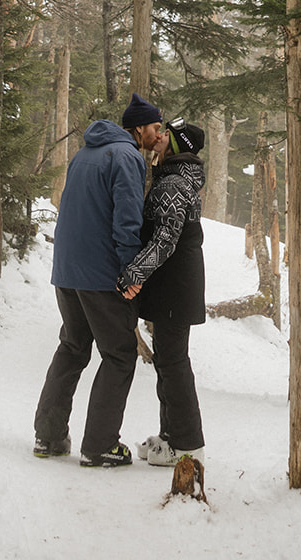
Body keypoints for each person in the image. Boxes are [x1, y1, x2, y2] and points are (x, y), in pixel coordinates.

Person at [33, 93, 162, 468]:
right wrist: (130, 272)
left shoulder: (85, 153)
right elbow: (127, 220)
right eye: (155, 128)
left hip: (67, 271)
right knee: (120, 355)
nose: (158, 135)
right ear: (139, 128)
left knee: (73, 348)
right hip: (101, 274)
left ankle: (49, 436)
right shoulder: (126, 157)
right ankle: (100, 445)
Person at [118, 117, 206, 467]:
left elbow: (165, 240)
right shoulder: (175, 177)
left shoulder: (173, 185)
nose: (159, 137)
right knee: (169, 360)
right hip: (175, 284)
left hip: (176, 285)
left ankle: (187, 444)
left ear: (177, 145)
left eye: (167, 135)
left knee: (173, 362)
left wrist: (134, 272)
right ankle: (170, 437)